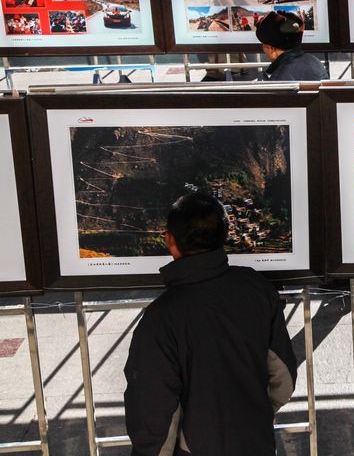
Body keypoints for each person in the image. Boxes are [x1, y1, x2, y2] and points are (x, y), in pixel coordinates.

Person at [123, 193, 297, 455]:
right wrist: (253, 416)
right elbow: (283, 376)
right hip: (256, 441)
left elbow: (153, 410)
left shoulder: (161, 317)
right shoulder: (256, 288)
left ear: (170, 240)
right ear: (225, 234)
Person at [255, 10, 329, 81]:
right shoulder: (313, 60)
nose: (263, 49)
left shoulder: (279, 79)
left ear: (272, 48)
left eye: (263, 45)